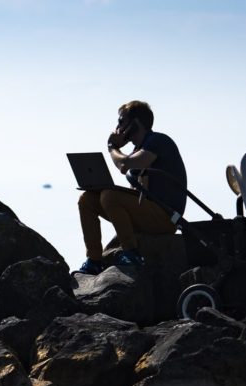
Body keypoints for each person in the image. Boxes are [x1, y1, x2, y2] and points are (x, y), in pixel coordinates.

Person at [77, 100, 188, 274]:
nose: (117, 128)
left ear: (135, 124)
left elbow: (125, 165)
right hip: (147, 213)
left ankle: (131, 254)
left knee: (109, 196)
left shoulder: (158, 141)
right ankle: (94, 260)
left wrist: (112, 147)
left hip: (166, 217)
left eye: (121, 122)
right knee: (87, 200)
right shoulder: (138, 148)